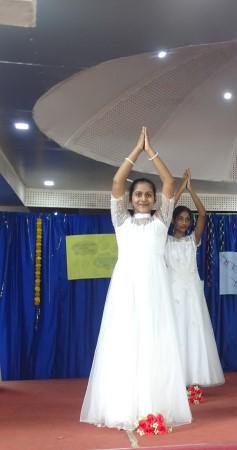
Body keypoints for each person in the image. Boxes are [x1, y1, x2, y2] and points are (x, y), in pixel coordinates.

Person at [81, 127, 191, 429]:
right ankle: (122, 405)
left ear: (155, 200)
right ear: (131, 198)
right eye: (138, 194)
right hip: (126, 287)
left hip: (155, 288)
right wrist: (135, 151)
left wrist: (150, 151)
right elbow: (117, 181)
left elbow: (169, 182)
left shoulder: (161, 221)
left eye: (147, 195)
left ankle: (153, 404)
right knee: (125, 341)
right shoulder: (121, 220)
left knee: (154, 342)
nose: (143, 198)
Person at [165, 168, 225, 387]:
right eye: (180, 219)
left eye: (186, 219)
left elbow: (203, 214)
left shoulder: (193, 240)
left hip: (191, 291)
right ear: (173, 221)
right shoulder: (164, 240)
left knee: (192, 331)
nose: (184, 222)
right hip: (171, 290)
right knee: (175, 331)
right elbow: (166, 208)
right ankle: (174, 378)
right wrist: (181, 187)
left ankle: (193, 377)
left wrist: (191, 191)